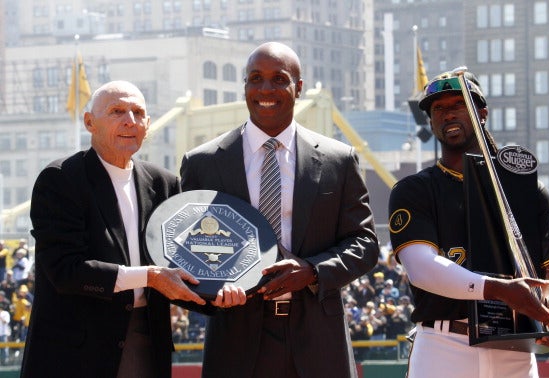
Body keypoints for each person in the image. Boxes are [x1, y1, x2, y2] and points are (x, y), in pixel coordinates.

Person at [180, 41, 379, 378]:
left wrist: (312, 271)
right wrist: (213, 293)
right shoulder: (202, 163)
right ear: (244, 86)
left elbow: (364, 244)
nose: (265, 89)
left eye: (278, 79)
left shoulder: (338, 160)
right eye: (255, 79)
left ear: (298, 88)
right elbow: (186, 253)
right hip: (236, 341)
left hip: (319, 339)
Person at [388, 69, 549, 378]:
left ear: (482, 112)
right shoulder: (414, 189)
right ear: (431, 121)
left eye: (458, 105)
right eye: (438, 109)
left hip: (515, 346)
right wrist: (500, 290)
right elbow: (421, 268)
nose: (447, 115)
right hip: (444, 345)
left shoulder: (524, 187)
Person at [21, 81, 208, 378]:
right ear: (89, 123)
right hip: (75, 355)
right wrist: (150, 277)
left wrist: (223, 292)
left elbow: (180, 266)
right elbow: (64, 270)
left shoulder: (165, 183)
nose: (129, 121)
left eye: (138, 112)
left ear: (147, 124)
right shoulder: (60, 180)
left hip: (146, 346)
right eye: (117, 111)